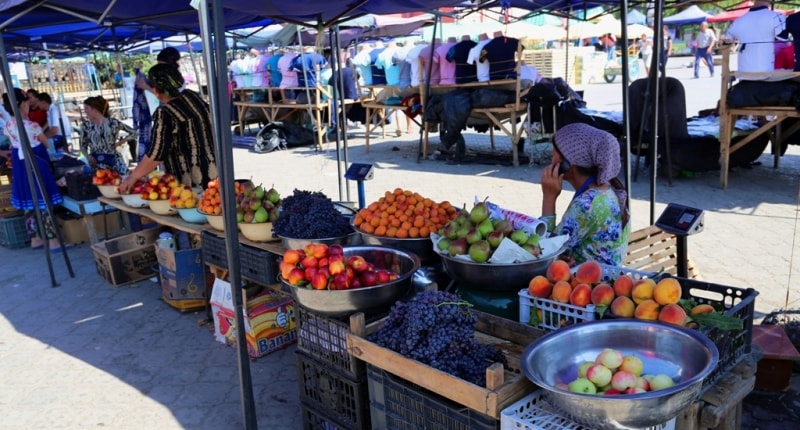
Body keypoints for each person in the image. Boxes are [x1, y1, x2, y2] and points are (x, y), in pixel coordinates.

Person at [540, 123, 630, 266]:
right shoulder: (607, 190)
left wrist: (549, 197)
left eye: (554, 152)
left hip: (590, 285)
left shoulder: (586, 205)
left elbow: (544, 250)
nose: (551, 156)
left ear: (567, 164)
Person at [119, 63, 217, 193]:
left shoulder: (165, 113)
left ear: (155, 91)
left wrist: (133, 177)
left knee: (197, 207)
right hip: (215, 169)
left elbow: (156, 153)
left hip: (191, 179)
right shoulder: (193, 96)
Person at [0, 88, 64, 251]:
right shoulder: (31, 126)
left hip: (20, 165)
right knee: (43, 200)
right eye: (27, 102)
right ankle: (53, 241)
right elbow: (46, 144)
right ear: (22, 105)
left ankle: (35, 238)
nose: (29, 105)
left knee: (29, 200)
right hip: (36, 162)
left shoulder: (8, 125)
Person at [79, 96, 137, 176]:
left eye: (86, 108)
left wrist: (120, 142)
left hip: (115, 161)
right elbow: (82, 146)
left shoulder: (113, 123)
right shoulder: (85, 126)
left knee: (123, 182)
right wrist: (88, 157)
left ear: (95, 109)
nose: (84, 111)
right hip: (97, 163)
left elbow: (135, 133)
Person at [725, 0, 787, 75]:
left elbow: (726, 41)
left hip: (744, 72)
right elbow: (784, 40)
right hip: (767, 72)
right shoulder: (777, 16)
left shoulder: (738, 21)